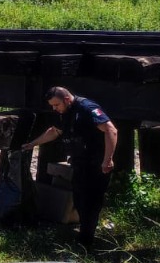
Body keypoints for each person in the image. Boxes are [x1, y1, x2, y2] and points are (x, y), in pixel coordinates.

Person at [20, 86, 118, 250]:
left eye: (56, 104)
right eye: (52, 105)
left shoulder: (87, 108)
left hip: (97, 163)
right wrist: (32, 144)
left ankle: (86, 242)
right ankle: (85, 235)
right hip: (80, 162)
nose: (54, 108)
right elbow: (54, 131)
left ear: (66, 99)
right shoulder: (64, 113)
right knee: (79, 200)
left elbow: (111, 130)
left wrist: (107, 160)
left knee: (91, 202)